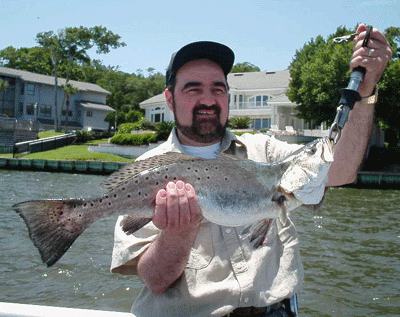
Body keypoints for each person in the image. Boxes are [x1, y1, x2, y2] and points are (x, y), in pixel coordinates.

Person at [111, 24, 392, 317]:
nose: (208, 99)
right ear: (170, 99)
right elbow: (156, 281)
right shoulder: (144, 175)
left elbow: (342, 170)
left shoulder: (267, 154)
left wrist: (366, 88)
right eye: (193, 88)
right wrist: (178, 235)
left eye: (218, 89)